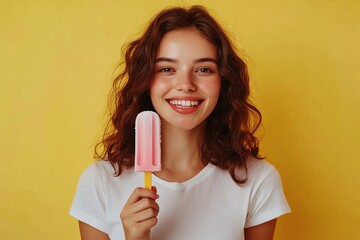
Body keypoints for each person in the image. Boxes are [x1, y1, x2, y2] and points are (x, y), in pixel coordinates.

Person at [70, 5, 290, 240]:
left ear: (223, 81)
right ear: (145, 80)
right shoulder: (100, 182)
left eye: (204, 69)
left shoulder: (257, 180)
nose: (185, 84)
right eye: (166, 69)